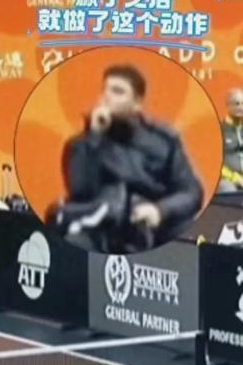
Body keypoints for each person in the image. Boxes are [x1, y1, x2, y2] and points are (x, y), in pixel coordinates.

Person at [54, 64, 203, 253]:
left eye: (118, 91)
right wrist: (95, 136)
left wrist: (160, 210)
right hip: (102, 229)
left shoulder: (163, 141)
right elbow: (80, 191)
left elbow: (191, 192)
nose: (107, 96)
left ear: (137, 103)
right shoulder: (82, 144)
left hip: (150, 228)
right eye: (105, 90)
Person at [219, 88, 243, 193]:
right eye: (236, 104)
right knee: (227, 188)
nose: (241, 107)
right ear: (228, 106)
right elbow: (216, 164)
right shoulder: (220, 130)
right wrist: (235, 178)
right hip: (229, 179)